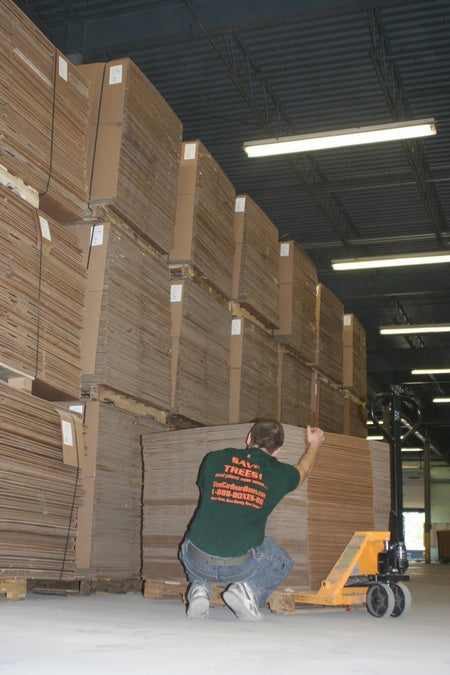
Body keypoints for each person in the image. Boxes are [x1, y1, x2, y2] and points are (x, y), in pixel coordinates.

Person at [179, 419, 325, 621]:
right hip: (238, 567)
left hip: (195, 558)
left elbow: (207, 495)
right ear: (277, 451)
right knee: (281, 561)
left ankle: (199, 588)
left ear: (249, 438)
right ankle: (248, 591)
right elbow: (305, 468)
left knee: (196, 539)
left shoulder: (213, 459)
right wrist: (315, 444)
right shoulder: (280, 474)